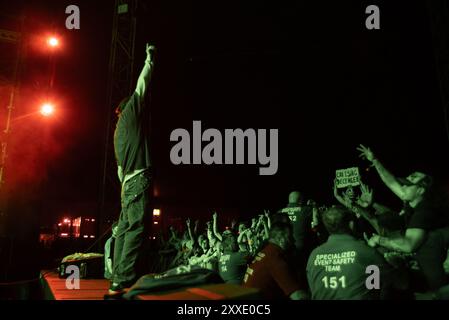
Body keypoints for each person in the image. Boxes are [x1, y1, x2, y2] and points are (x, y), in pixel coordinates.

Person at [358, 144, 449, 292]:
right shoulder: (412, 201)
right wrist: (375, 161)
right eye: (404, 184)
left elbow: (409, 245)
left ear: (420, 190)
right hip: (426, 252)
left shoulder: (425, 210)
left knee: (427, 244)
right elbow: (391, 182)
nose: (403, 188)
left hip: (436, 257)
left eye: (408, 185)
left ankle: (439, 291)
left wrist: (380, 240)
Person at [106, 44, 155, 298]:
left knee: (124, 229)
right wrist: (149, 61)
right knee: (136, 228)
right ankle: (122, 279)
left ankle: (116, 277)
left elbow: (117, 169)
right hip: (138, 180)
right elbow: (141, 87)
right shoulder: (131, 115)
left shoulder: (117, 134)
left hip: (126, 184)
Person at [307, 206, 397, 300]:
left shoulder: (313, 255)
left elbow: (313, 288)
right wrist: (397, 264)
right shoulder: (366, 252)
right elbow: (398, 283)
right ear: (351, 224)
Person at [242, 220, 309, 300]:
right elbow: (298, 296)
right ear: (281, 239)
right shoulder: (275, 258)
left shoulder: (266, 251)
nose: (293, 240)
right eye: (290, 237)